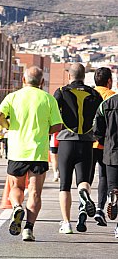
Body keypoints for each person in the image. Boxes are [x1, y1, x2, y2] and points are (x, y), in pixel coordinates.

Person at [0, 66, 62, 242]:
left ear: (23, 80)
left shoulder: (13, 97)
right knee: (35, 193)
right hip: (38, 153)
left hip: (17, 151)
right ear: (42, 82)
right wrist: (43, 131)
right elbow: (57, 126)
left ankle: (17, 206)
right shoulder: (48, 99)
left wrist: (8, 125)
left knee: (16, 188)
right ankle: (28, 229)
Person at [53, 63, 103, 234]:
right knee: (84, 181)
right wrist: (96, 136)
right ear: (84, 76)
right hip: (87, 143)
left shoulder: (61, 92)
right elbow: (100, 119)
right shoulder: (95, 94)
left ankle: (66, 223)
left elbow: (54, 116)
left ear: (69, 76)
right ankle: (83, 193)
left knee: (64, 185)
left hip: (66, 141)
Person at [90, 67, 115, 227]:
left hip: (89, 143)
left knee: (86, 177)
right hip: (107, 145)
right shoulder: (112, 97)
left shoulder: (89, 94)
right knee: (104, 178)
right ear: (109, 81)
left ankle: (83, 209)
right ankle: (100, 208)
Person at [93, 90, 118, 238]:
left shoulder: (107, 103)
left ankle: (113, 195)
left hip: (112, 152)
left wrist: (105, 142)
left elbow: (97, 129)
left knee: (114, 186)